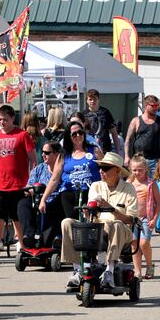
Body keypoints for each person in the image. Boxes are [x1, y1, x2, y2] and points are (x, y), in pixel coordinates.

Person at [42, 122, 103, 285]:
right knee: (73, 228)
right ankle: (77, 268)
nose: (77, 136)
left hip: (91, 192)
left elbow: (106, 170)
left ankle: (91, 262)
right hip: (69, 195)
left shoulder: (94, 150)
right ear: (68, 136)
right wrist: (43, 199)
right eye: (74, 134)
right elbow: (55, 179)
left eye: (80, 132)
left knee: (90, 228)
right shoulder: (64, 155)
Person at [0, 105, 37, 268]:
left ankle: (25, 251)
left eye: (5, 119)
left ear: (13, 118)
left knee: (18, 219)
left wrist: (32, 181)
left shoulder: (23, 135)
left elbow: (33, 160)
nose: (2, 122)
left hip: (19, 186)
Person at [87, 152, 138, 288]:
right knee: (67, 223)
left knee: (116, 224)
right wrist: (88, 211)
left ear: (117, 171)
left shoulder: (129, 188)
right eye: (100, 167)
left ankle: (109, 270)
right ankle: (77, 269)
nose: (101, 171)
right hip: (98, 229)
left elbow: (131, 219)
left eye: (105, 168)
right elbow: (89, 216)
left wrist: (110, 208)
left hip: (121, 230)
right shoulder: (95, 186)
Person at [20, 141, 64, 250]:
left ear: (57, 154)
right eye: (42, 152)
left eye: (47, 153)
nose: (43, 155)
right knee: (23, 203)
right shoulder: (39, 168)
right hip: (38, 199)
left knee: (59, 201)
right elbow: (29, 186)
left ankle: (58, 236)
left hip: (55, 201)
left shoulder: (64, 169)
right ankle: (29, 235)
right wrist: (33, 190)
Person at [126, 154, 160, 278]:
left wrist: (154, 219)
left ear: (146, 169)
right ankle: (138, 271)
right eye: (134, 170)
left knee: (144, 243)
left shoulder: (151, 184)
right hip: (132, 218)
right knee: (134, 243)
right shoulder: (129, 183)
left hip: (146, 218)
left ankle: (149, 265)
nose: (137, 172)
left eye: (140, 170)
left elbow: (158, 203)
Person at [124, 95, 160, 175]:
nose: (156, 108)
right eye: (153, 106)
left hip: (155, 161)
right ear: (146, 105)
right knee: (137, 182)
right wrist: (126, 156)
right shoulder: (136, 121)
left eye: (157, 105)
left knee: (154, 182)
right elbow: (128, 140)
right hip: (138, 160)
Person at [82, 89, 120, 154]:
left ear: (99, 100)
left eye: (95, 99)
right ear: (87, 101)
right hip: (88, 150)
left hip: (105, 150)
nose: (92, 101)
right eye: (90, 99)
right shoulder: (83, 115)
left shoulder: (105, 113)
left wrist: (117, 151)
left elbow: (114, 132)